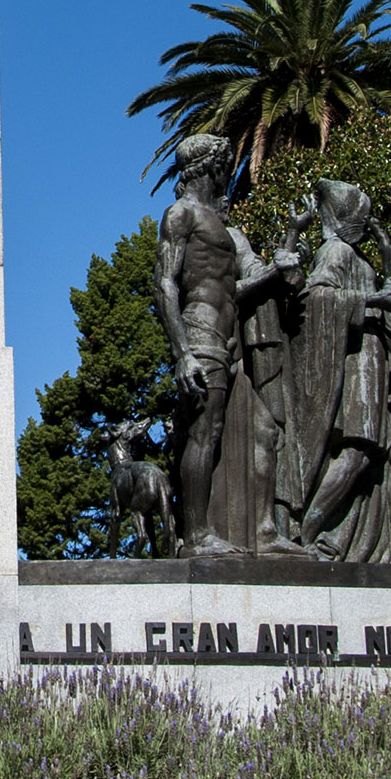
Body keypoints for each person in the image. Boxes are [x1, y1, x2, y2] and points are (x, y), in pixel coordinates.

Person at [152, 133, 295, 556]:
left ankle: (263, 531)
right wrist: (182, 354)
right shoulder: (181, 215)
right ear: (210, 167)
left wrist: (277, 269)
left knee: (259, 431)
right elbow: (163, 285)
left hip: (231, 344)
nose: (229, 173)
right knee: (204, 433)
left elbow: (236, 288)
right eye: (226, 165)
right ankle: (196, 537)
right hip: (201, 335)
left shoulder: (222, 228)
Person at [270, 180, 391, 562]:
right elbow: (319, 298)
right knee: (357, 452)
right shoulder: (335, 251)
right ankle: (308, 530)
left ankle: (331, 536)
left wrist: (386, 262)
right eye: (360, 214)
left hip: (370, 359)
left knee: (367, 456)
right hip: (355, 362)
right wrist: (372, 299)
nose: (366, 221)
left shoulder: (355, 256)